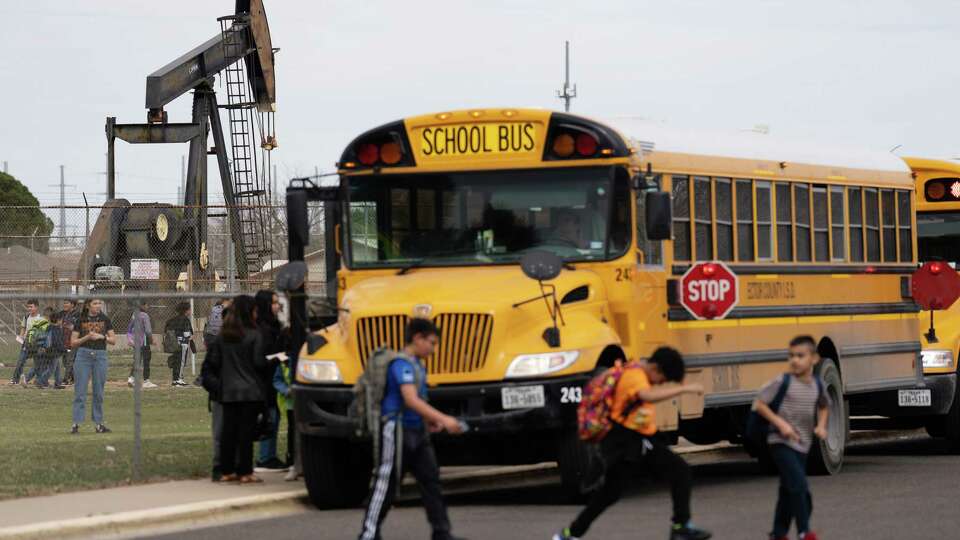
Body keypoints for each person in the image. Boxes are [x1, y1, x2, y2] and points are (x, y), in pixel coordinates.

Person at [553, 347, 711, 540]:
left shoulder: (635, 371)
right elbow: (645, 396)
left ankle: (570, 534)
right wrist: (684, 389)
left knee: (610, 493)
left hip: (625, 441)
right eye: (663, 380)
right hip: (629, 441)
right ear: (656, 368)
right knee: (680, 471)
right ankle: (681, 527)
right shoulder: (635, 376)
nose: (660, 384)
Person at [358, 318, 466, 540]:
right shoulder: (402, 364)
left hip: (417, 431)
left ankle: (442, 533)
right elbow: (410, 399)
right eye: (432, 343)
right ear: (417, 338)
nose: (434, 350)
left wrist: (429, 421)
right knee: (385, 483)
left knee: (431, 482)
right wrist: (444, 419)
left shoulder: (417, 365)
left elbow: (416, 402)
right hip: (396, 432)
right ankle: (368, 535)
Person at [753, 336, 830, 540]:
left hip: (802, 444)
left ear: (814, 359)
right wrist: (781, 424)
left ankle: (778, 533)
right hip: (779, 441)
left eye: (800, 356)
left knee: (788, 490)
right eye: (791, 356)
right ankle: (804, 532)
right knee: (799, 485)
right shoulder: (782, 382)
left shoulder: (818, 385)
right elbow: (759, 404)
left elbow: (824, 405)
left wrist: (821, 427)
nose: (795, 360)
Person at [204, 295, 265, 484]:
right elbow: (259, 363)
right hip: (250, 391)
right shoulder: (255, 335)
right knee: (245, 434)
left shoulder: (223, 337)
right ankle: (245, 471)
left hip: (228, 391)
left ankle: (226, 470)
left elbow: (213, 364)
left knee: (227, 433)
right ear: (249, 312)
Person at [70, 298, 116, 434]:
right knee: (80, 391)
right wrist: (87, 337)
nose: (98, 306)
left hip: (100, 355)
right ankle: (76, 424)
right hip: (83, 355)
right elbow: (73, 342)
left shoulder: (105, 319)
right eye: (95, 303)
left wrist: (101, 337)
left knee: (98, 391)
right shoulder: (81, 319)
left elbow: (113, 340)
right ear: (88, 305)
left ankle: (99, 424)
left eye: (99, 303)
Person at [254, 290, 288, 472]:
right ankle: (265, 457)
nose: (277, 306)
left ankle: (270, 455)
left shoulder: (274, 326)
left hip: (273, 377)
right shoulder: (262, 329)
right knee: (270, 415)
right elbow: (261, 358)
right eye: (274, 303)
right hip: (264, 380)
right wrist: (279, 356)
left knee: (275, 414)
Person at [272, 354, 299, 481]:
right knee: (292, 435)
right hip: (291, 405)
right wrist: (286, 390)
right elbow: (277, 380)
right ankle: (292, 463)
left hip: (303, 402)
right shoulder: (284, 361)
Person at [10, 299, 42, 385]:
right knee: (20, 361)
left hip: (37, 344)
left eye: (31, 307)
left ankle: (34, 380)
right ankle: (15, 380)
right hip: (27, 344)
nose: (29, 308)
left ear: (36, 307)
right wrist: (21, 336)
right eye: (28, 307)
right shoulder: (26, 316)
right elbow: (23, 328)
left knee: (38, 364)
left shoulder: (41, 318)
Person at [127, 299, 156, 388]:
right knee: (146, 359)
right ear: (142, 306)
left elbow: (129, 328)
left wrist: (130, 339)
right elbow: (148, 331)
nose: (148, 307)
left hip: (135, 340)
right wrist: (152, 340)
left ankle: (131, 378)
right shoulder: (145, 315)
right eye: (147, 305)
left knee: (137, 360)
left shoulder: (134, 315)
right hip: (143, 340)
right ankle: (146, 380)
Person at [165, 302, 195, 387]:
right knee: (181, 362)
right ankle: (179, 379)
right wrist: (190, 337)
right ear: (186, 310)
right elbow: (187, 334)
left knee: (176, 361)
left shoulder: (173, 319)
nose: (190, 311)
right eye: (189, 309)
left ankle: (175, 380)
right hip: (183, 343)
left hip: (174, 343)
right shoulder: (185, 319)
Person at [35, 310, 67, 389]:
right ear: (58, 320)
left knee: (57, 368)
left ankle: (58, 383)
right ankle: (40, 381)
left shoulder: (49, 327)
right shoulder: (57, 329)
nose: (62, 321)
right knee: (51, 369)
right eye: (61, 320)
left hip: (48, 350)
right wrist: (64, 349)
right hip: (54, 351)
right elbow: (57, 341)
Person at [23, 306, 53, 387]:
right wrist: (46, 347)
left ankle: (40, 381)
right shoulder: (47, 324)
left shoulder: (37, 320)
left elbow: (31, 332)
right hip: (41, 347)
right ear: (50, 317)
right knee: (40, 366)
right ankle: (27, 379)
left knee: (39, 365)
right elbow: (47, 337)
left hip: (33, 346)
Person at [59, 299, 80, 386]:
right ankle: (74, 378)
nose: (65, 304)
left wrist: (64, 325)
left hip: (73, 340)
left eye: (67, 303)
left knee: (69, 360)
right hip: (64, 340)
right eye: (64, 303)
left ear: (72, 304)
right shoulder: (63, 313)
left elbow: (74, 327)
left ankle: (66, 379)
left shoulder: (77, 314)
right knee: (65, 360)